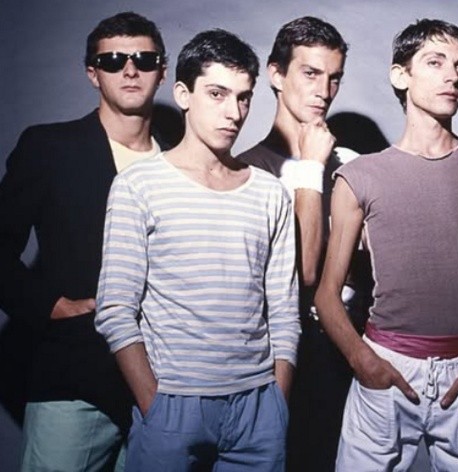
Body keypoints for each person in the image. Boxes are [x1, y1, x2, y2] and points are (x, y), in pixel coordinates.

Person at [314, 19, 458, 470]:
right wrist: (365, 362)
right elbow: (326, 293)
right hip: (386, 364)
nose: (453, 76)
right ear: (401, 75)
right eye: (435, 62)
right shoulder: (358, 176)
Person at [95, 29, 299, 471]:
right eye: (217, 94)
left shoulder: (269, 193)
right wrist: (154, 404)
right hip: (172, 405)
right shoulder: (138, 186)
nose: (234, 112)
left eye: (243, 98)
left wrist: (276, 402)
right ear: (183, 95)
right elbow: (115, 308)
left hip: (257, 407)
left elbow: (284, 309)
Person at [0, 11, 168, 471]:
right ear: (93, 73)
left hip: (164, 385)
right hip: (74, 380)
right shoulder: (50, 148)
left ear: (162, 71)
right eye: (113, 61)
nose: (129, 70)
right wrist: (51, 305)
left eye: (143, 59)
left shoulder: (178, 160)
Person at [236, 17, 371, 471]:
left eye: (334, 78)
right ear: (276, 74)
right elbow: (301, 273)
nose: (324, 91)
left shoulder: (351, 163)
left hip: (348, 352)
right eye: (311, 73)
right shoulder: (247, 170)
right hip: (281, 357)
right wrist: (311, 167)